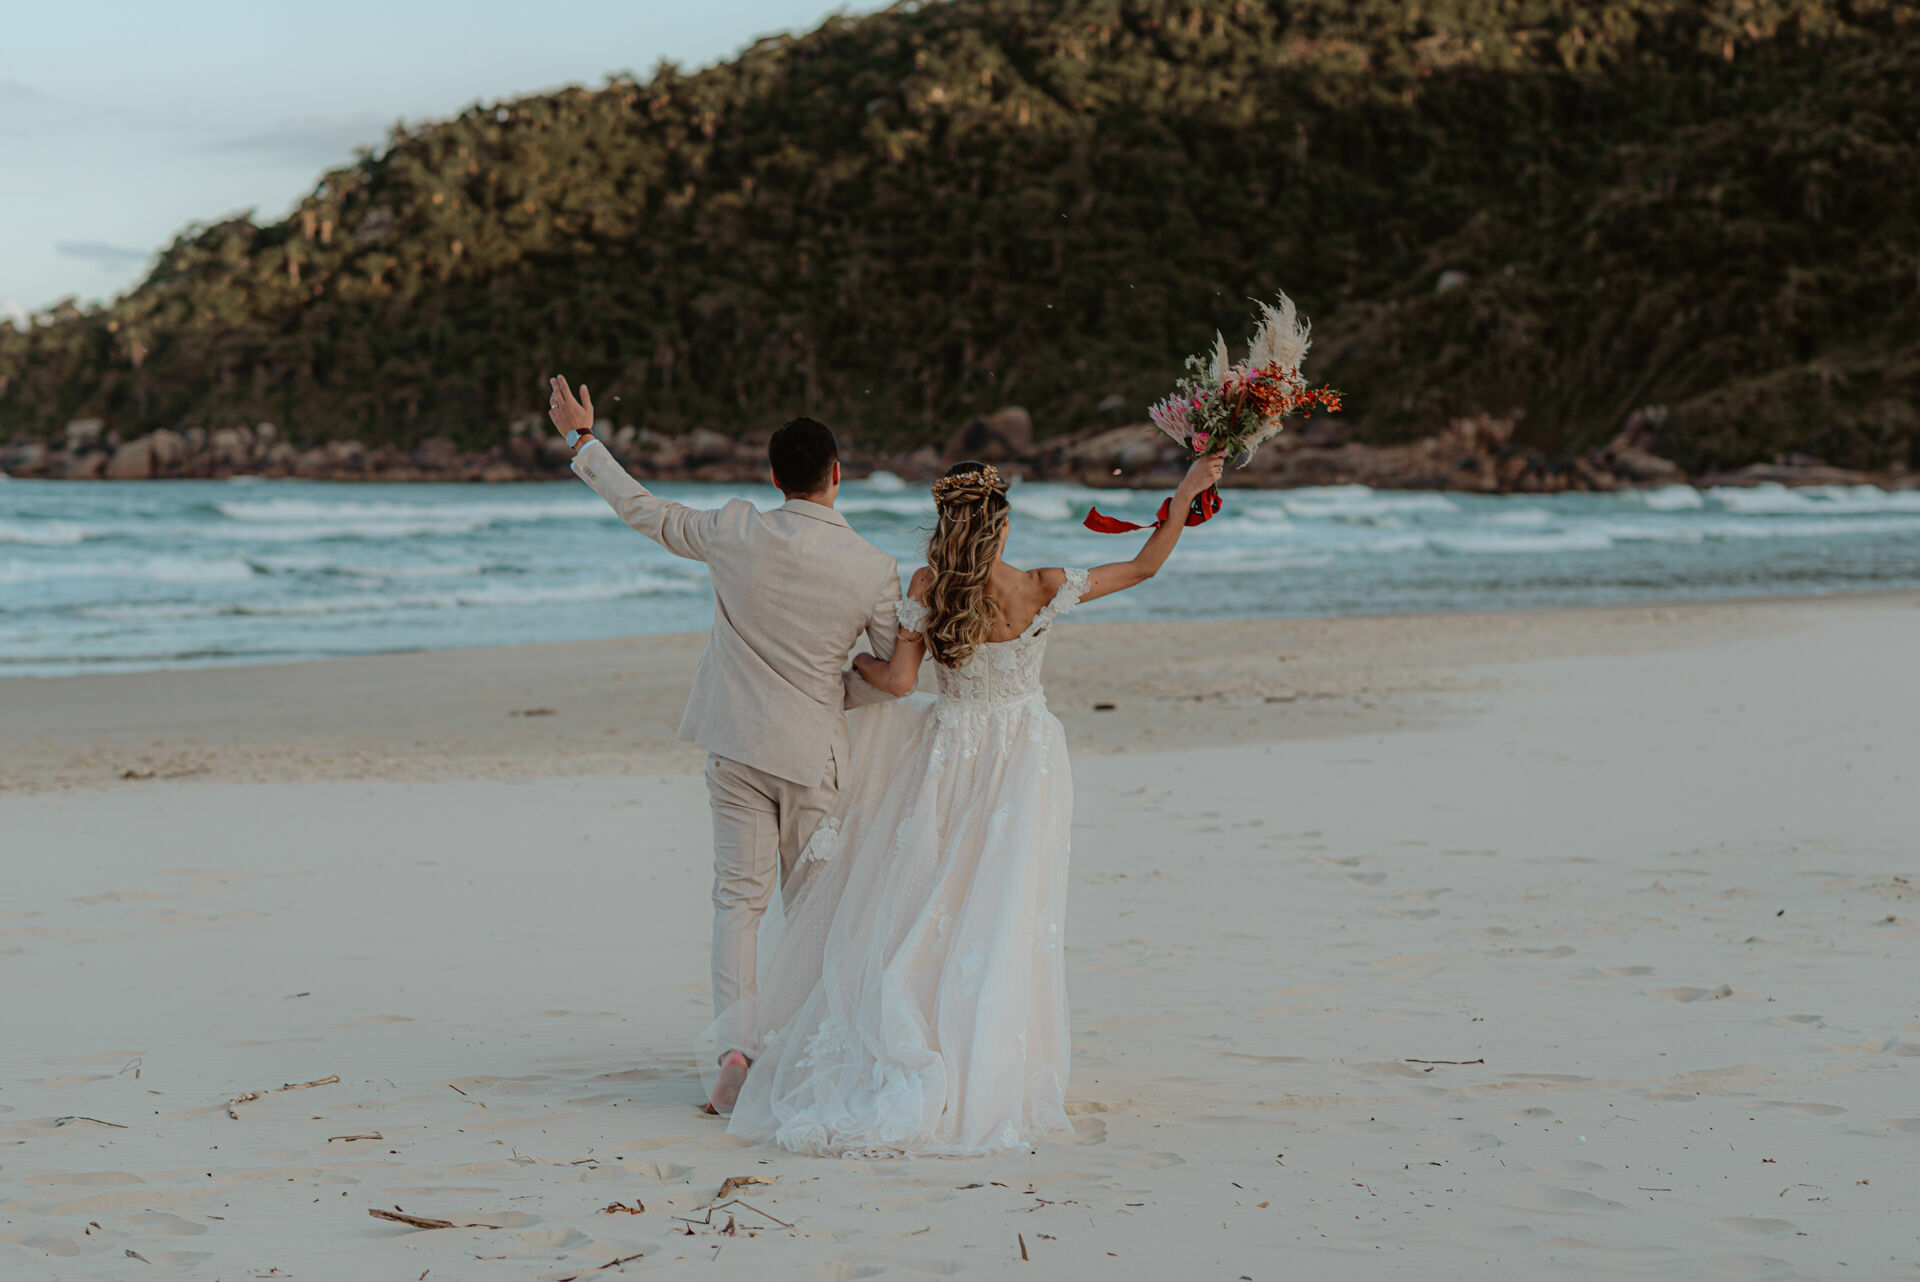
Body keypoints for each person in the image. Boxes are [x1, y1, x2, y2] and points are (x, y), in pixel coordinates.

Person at [716, 450, 1225, 1157]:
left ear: (948, 524)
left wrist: (855, 666)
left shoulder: (928, 585)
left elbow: (897, 682)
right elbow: (1143, 567)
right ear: (1001, 526)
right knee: (1001, 904)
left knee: (926, 897)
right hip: (1022, 759)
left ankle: (912, 1029)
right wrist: (1186, 490)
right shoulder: (1042, 586)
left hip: (948, 752)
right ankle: (980, 1047)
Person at [543, 376, 903, 1116]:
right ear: (837, 476)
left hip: (736, 746)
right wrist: (837, 691)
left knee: (736, 905)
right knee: (812, 913)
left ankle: (735, 1053)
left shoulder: (736, 529)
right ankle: (807, 1051)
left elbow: (644, 511)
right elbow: (893, 676)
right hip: (814, 755)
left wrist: (584, 441)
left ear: (774, 478)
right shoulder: (873, 568)